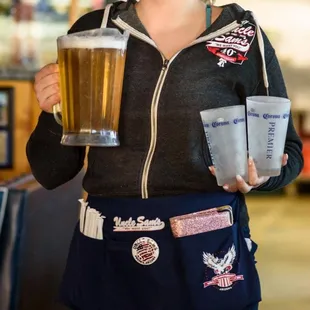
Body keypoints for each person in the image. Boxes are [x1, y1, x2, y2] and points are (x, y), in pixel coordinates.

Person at [26, 0, 304, 309]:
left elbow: (288, 154)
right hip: (107, 247)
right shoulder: (94, 29)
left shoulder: (243, 35)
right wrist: (53, 112)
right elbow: (50, 172)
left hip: (207, 251)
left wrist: (261, 175)